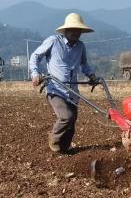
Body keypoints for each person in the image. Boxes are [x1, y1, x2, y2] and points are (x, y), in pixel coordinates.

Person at [29, 13, 97, 153]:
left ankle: (64, 150)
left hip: (72, 92)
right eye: (73, 29)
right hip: (56, 89)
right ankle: (54, 142)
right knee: (66, 117)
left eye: (79, 30)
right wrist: (35, 74)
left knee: (72, 122)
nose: (76, 33)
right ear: (65, 30)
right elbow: (35, 56)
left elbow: (84, 64)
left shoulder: (80, 46)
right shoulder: (54, 41)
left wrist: (91, 75)